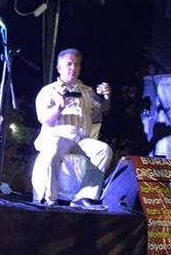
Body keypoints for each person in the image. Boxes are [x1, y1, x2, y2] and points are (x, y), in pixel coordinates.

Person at [33, 48, 112, 208]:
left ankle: (83, 197)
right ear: (59, 68)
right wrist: (59, 108)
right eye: (68, 64)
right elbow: (44, 120)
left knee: (104, 150)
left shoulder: (87, 91)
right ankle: (50, 199)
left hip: (82, 140)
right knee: (54, 146)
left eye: (76, 64)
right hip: (59, 137)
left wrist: (107, 96)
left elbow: (103, 110)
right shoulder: (49, 91)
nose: (73, 68)